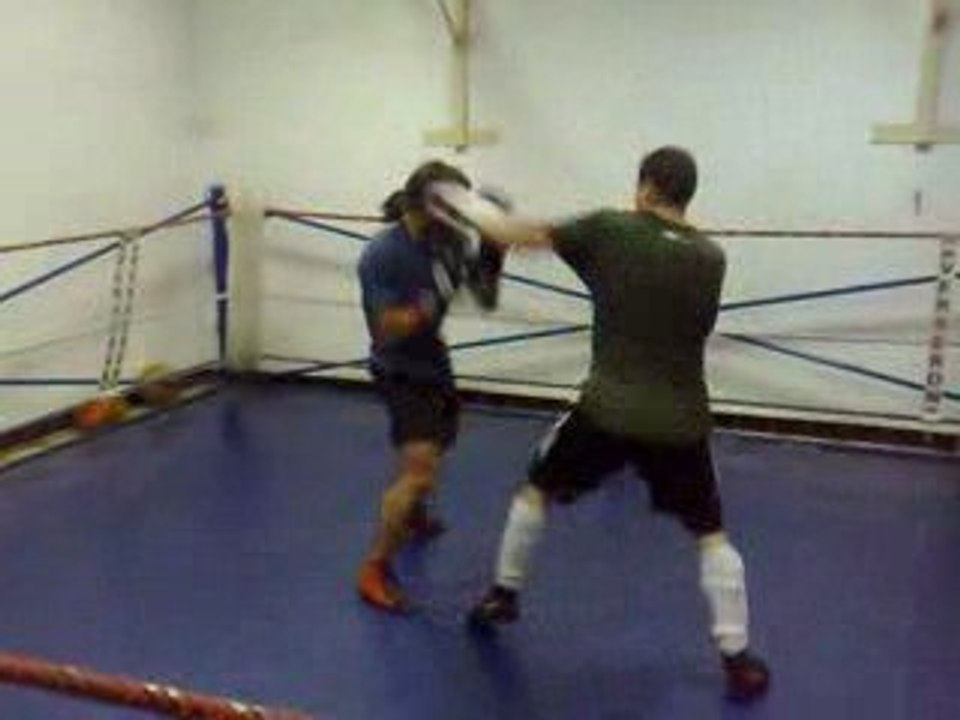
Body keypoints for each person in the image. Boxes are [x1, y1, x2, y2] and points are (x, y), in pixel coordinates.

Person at [428, 146, 771, 702]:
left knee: (535, 491)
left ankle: (503, 595)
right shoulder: (711, 258)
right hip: (680, 422)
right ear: (687, 194)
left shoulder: (612, 231)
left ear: (647, 187)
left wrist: (458, 199)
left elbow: (513, 233)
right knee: (711, 534)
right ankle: (737, 657)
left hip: (606, 410)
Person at [356, 160, 505, 613]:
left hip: (432, 360)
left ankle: (415, 513)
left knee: (442, 441)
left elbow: (485, 297)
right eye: (454, 206)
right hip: (398, 368)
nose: (462, 214)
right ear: (429, 205)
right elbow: (386, 328)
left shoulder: (451, 241)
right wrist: (430, 301)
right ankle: (373, 569)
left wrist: (494, 250)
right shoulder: (383, 254)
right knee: (420, 471)